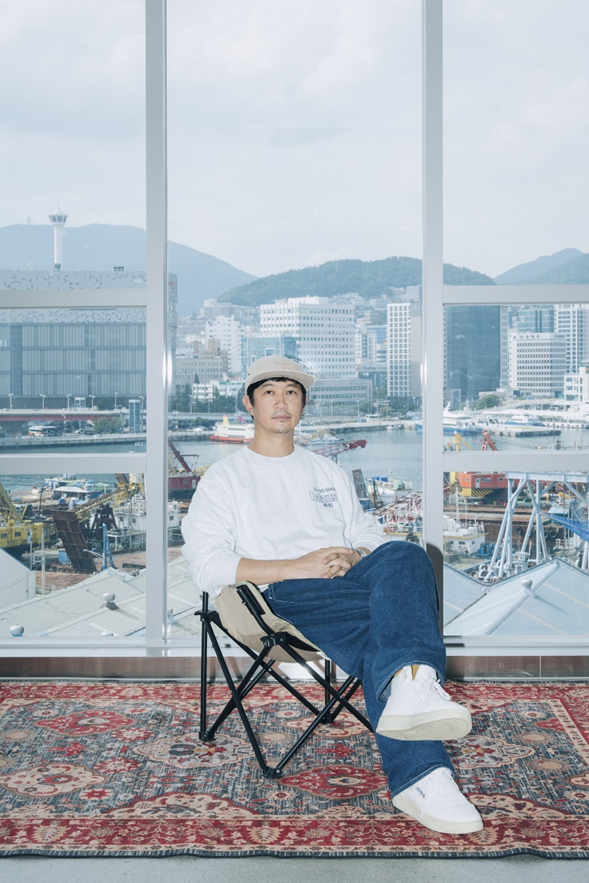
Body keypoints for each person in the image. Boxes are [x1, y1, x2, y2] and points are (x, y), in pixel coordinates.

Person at [182, 354, 483, 836]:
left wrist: (353, 553)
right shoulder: (224, 478)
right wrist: (297, 566)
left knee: (406, 554)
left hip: (346, 582)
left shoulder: (327, 471)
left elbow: (367, 532)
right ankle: (424, 772)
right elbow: (206, 565)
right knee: (387, 632)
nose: (281, 401)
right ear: (249, 404)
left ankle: (412, 695)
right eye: (269, 392)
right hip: (279, 595)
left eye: (292, 392)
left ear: (303, 404)